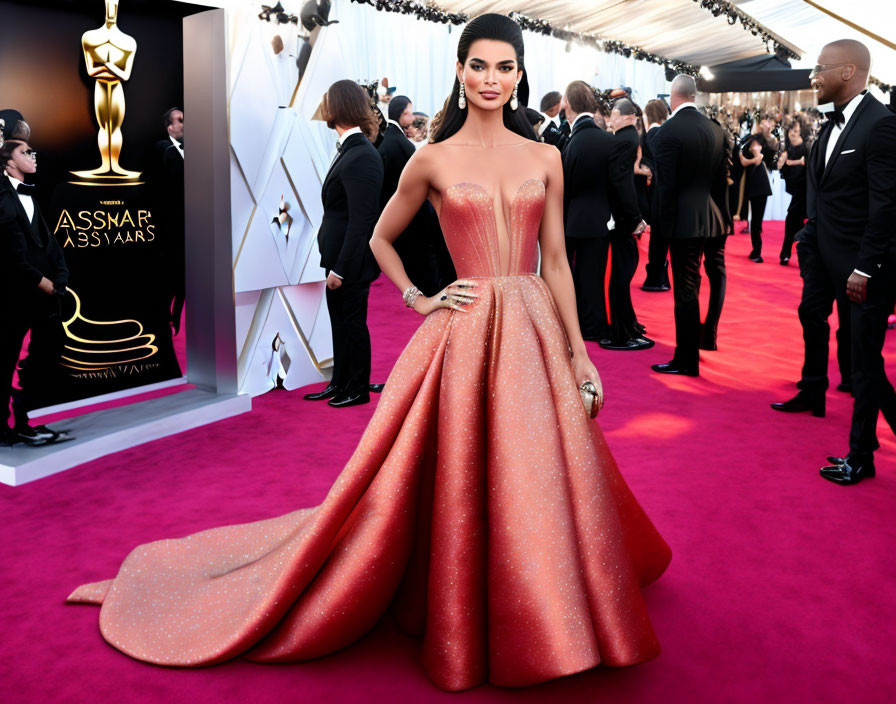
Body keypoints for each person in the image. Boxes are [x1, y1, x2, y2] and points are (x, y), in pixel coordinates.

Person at [67, 14, 671, 693]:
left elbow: (556, 260)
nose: (492, 79)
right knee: (465, 466)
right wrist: (419, 298)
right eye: (479, 65)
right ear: (460, 70)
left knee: (539, 463)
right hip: (465, 327)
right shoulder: (432, 157)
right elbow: (382, 238)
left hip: (533, 322)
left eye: (505, 67)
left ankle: (550, 598)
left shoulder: (545, 157)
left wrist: (579, 353)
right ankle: (469, 598)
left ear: (520, 73)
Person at [777, 40, 896, 484]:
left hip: (863, 268)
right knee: (811, 317)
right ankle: (812, 389)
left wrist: (865, 267)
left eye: (819, 69)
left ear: (848, 72)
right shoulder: (827, 129)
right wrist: (807, 243)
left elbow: (885, 206)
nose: (812, 77)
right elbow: (823, 194)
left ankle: (861, 454)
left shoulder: (881, 125)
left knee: (863, 362)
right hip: (823, 259)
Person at [302, 80, 384, 408]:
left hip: (350, 262)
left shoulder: (362, 154)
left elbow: (361, 221)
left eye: (327, 102)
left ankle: (358, 388)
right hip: (338, 257)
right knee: (339, 323)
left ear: (341, 108)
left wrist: (340, 268)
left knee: (352, 324)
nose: (323, 109)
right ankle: (340, 383)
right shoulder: (351, 150)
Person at [651, 75, 731, 376]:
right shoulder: (715, 129)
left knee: (685, 290)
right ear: (694, 96)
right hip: (712, 217)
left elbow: (666, 189)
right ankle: (703, 338)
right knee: (697, 284)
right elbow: (722, 181)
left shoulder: (668, 132)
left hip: (682, 222)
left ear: (673, 96)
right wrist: (723, 219)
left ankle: (686, 360)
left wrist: (661, 232)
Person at [0, 139, 72, 446]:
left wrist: (61, 277)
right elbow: (9, 256)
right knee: (5, 362)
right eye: (25, 152)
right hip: (13, 297)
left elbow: (50, 241)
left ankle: (26, 421)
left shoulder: (32, 195)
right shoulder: (2, 197)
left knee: (42, 358)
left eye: (33, 151)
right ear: (9, 162)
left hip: (44, 297)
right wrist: (43, 282)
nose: (33, 156)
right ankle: (6, 428)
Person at [561, 82, 639, 342]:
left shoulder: (571, 143)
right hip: (600, 220)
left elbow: (565, 186)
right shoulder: (608, 141)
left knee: (575, 276)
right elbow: (618, 183)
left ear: (568, 105)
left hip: (572, 220)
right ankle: (592, 325)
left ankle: (578, 324)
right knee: (593, 277)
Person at [377, 95, 455, 296]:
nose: (412, 117)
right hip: (412, 216)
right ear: (401, 114)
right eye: (409, 112)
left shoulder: (392, 139)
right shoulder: (400, 143)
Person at [600, 99, 652, 351]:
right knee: (622, 273)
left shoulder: (626, 138)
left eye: (614, 114)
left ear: (628, 116)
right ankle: (623, 330)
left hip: (621, 216)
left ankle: (624, 329)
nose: (610, 119)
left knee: (622, 274)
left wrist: (633, 217)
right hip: (621, 216)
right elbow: (621, 181)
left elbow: (622, 181)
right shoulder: (627, 138)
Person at [147, 108, 185, 333]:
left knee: (184, 278)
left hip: (188, 226)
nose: (184, 124)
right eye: (179, 121)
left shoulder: (192, 150)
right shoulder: (162, 149)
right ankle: (165, 319)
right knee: (170, 276)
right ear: (169, 127)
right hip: (169, 227)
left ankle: (176, 317)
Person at [641, 98, 671, 291]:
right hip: (658, 192)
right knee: (660, 237)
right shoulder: (657, 133)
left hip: (653, 192)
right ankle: (656, 277)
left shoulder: (648, 134)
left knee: (659, 238)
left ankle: (657, 275)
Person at [739, 114, 777, 262]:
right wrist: (753, 158)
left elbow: (762, 157)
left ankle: (757, 252)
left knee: (756, 220)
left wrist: (752, 158)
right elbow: (746, 159)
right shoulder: (752, 139)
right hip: (758, 183)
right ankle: (756, 250)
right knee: (756, 220)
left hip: (759, 184)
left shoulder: (766, 141)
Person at [776, 119, 808, 265]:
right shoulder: (788, 150)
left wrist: (792, 163)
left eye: (796, 131)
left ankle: (785, 254)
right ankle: (791, 251)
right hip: (797, 192)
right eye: (791, 131)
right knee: (796, 223)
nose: (792, 134)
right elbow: (785, 173)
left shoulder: (806, 149)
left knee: (791, 221)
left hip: (806, 192)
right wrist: (782, 164)